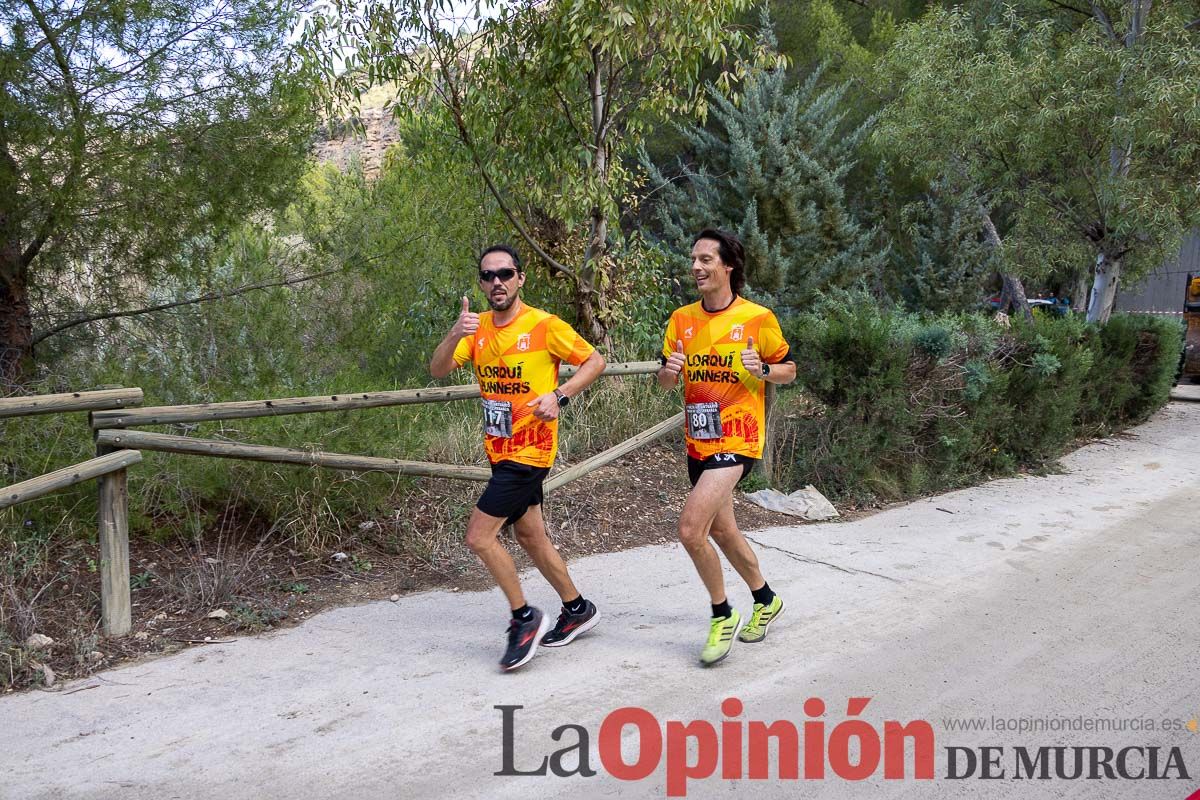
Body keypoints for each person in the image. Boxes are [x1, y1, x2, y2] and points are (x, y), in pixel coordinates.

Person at [430, 244, 606, 671]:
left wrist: (560, 395)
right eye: (488, 276)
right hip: (499, 449)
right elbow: (437, 371)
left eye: (505, 274)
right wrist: (456, 332)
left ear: (520, 278)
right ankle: (577, 607)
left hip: (530, 452)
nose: (497, 283)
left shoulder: (543, 325)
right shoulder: (478, 329)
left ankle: (523, 618)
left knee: (479, 537)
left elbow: (595, 360)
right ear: (481, 283)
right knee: (530, 536)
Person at [657, 229, 797, 666]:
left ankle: (721, 614)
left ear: (728, 267)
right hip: (698, 441)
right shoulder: (681, 319)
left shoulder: (757, 317)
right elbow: (664, 380)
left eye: (705, 260)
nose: (696, 267)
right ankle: (766, 598)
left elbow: (789, 369)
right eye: (693, 260)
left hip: (738, 438)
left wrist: (765, 369)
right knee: (722, 530)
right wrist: (670, 371)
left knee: (690, 528)